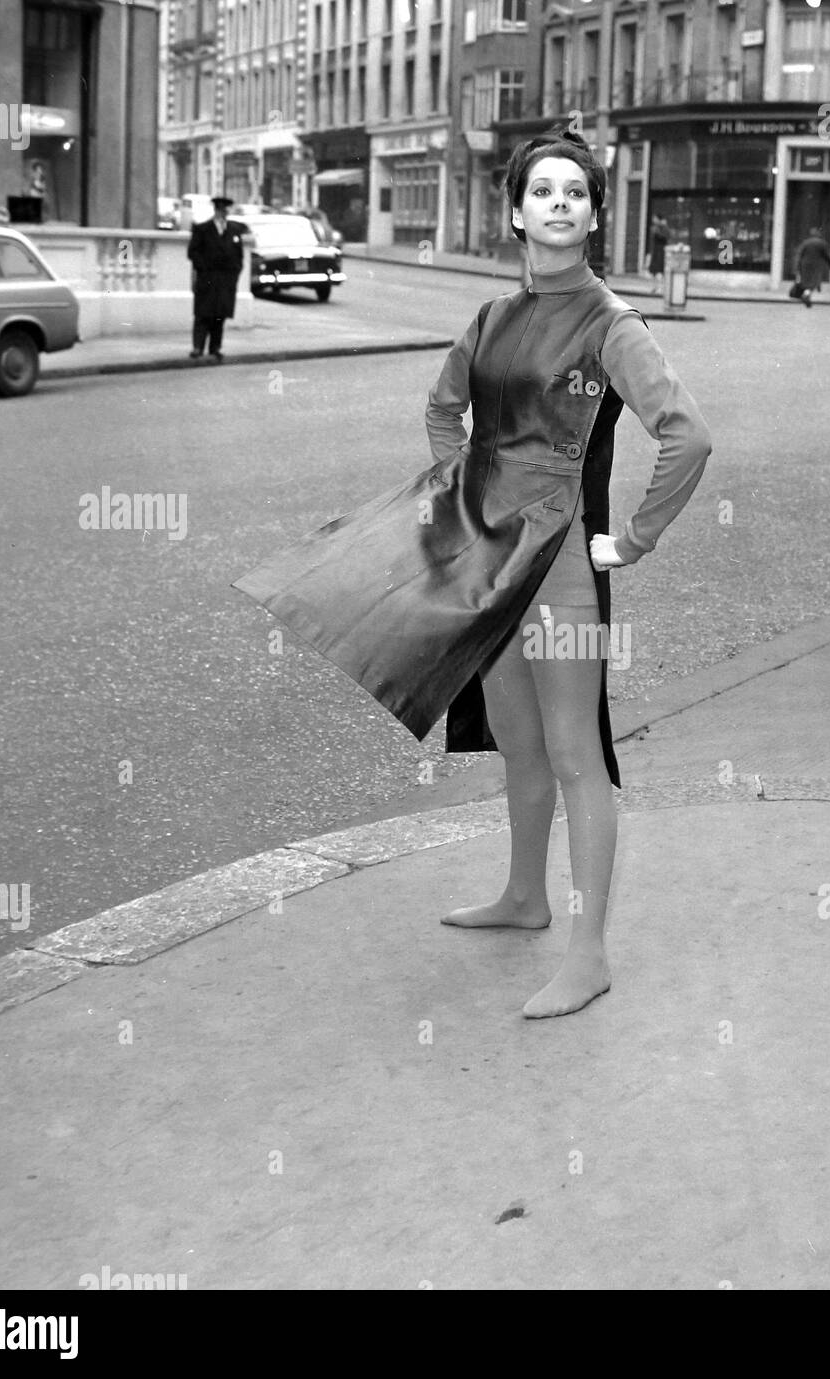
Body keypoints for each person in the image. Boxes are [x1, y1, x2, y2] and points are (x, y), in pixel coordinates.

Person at [233, 130, 711, 1019]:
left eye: (577, 191)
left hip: (562, 567)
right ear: (518, 212)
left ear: (595, 214)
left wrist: (632, 539)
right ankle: (524, 896)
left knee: (575, 753)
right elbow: (442, 405)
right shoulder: (492, 317)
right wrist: (461, 489)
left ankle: (591, 951)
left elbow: (687, 434)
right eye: (544, 190)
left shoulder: (613, 324)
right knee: (517, 739)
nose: (560, 202)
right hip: (490, 566)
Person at [187, 195, 246, 362]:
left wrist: (234, 273)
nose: (222, 214)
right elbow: (193, 252)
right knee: (203, 314)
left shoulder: (234, 231)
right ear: (215, 211)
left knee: (220, 315)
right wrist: (204, 268)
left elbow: (239, 255)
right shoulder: (203, 229)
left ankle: (215, 348)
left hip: (226, 280)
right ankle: (198, 347)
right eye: (220, 210)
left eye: (225, 211)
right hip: (208, 278)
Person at [789, 227, 830, 308]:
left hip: (805, 265)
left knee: (806, 281)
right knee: (814, 282)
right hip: (816, 265)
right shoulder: (822, 243)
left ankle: (806, 294)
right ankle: (806, 294)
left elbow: (799, 254)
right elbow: (827, 256)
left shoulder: (805, 242)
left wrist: (797, 266)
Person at [646, 215, 669, 281]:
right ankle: (654, 273)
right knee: (655, 260)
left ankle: (659, 273)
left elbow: (665, 236)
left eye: (655, 218)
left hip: (661, 247)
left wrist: (663, 226)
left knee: (659, 260)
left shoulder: (663, 227)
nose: (654, 220)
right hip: (655, 247)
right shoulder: (655, 227)